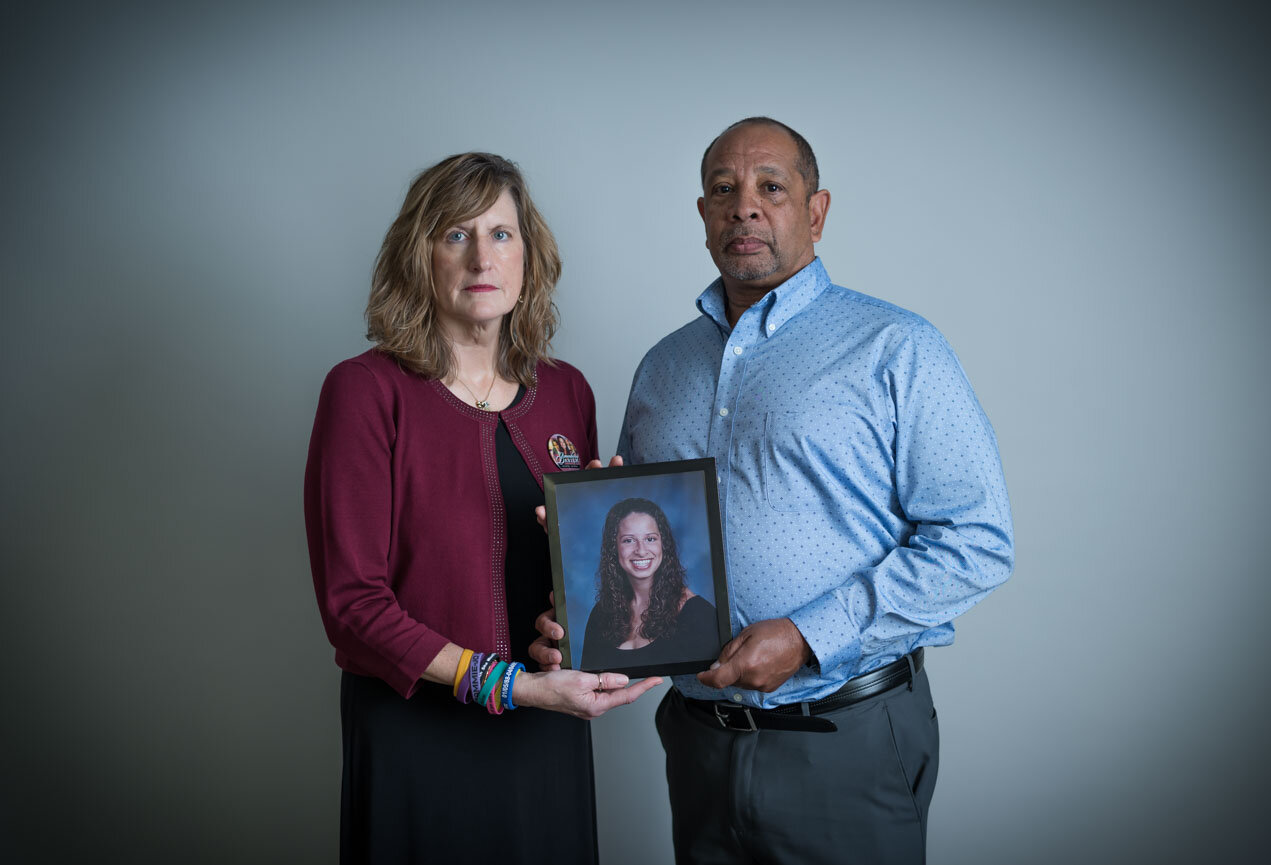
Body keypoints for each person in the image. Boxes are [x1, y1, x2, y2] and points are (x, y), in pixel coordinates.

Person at [533, 118, 1014, 864]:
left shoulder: (896, 346)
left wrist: (809, 634)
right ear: (702, 215)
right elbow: (640, 531)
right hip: (697, 744)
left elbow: (977, 540)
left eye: (771, 188)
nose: (744, 207)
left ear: (816, 212)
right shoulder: (663, 367)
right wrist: (581, 594)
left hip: (845, 742)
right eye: (723, 189)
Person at [303, 152, 660, 863]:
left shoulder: (568, 391)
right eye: (455, 235)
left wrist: (597, 562)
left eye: (501, 234)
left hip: (547, 725)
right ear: (420, 255)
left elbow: (569, 583)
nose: (480, 257)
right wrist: (508, 684)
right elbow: (353, 604)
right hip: (418, 731)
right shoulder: (364, 391)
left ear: (529, 255)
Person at [579, 497, 720, 672]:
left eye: (650, 539)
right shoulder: (601, 614)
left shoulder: (698, 614)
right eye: (628, 540)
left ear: (664, 544)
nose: (641, 550)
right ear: (614, 548)